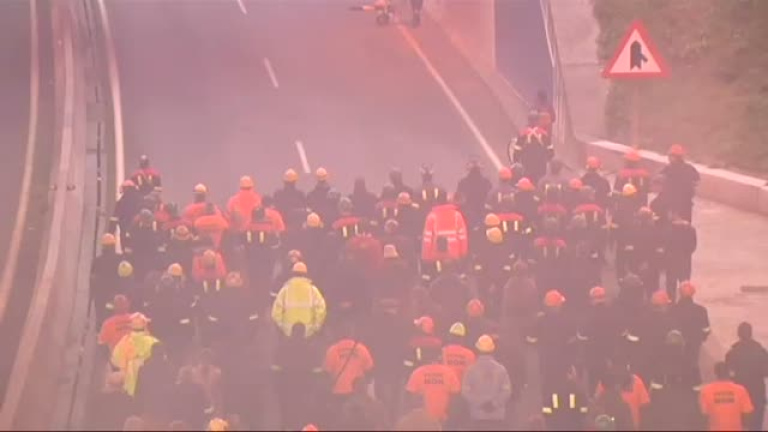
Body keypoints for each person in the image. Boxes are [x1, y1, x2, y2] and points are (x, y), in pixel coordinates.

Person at [461, 335, 512, 430]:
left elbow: (465, 392)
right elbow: (506, 391)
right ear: (493, 350)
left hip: (477, 416)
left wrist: (479, 403)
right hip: (497, 417)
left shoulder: (471, 370)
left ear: (477, 350)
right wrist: (494, 404)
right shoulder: (501, 369)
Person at [725, 322, 768, 431]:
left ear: (738, 334)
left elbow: (728, 373)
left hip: (739, 392)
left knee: (739, 424)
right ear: (751, 333)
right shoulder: (761, 351)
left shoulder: (733, 352)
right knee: (756, 425)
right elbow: (766, 372)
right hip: (757, 392)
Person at [405, 345, 462, 424]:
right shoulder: (449, 372)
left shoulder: (417, 372)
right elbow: (455, 397)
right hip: (443, 419)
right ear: (439, 356)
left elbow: (411, 398)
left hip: (423, 419)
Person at [271, 262, 327, 339]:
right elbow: (321, 309)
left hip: (288, 333)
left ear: (292, 274)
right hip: (308, 333)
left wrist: (283, 327)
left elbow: (276, 312)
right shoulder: (312, 290)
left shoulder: (285, 290)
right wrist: (316, 327)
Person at [700, 361, 754, 431]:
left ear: (715, 373)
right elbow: (747, 413)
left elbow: (704, 415)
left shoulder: (706, 390)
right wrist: (746, 428)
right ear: (729, 372)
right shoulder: (740, 390)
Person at [660, 144, 700, 222]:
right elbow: (697, 181)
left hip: (672, 203)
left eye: (670, 156)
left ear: (675, 157)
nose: (668, 158)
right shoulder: (690, 168)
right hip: (686, 203)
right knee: (686, 225)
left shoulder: (669, 168)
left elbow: (659, 179)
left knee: (671, 224)